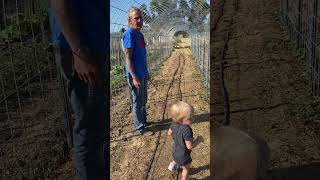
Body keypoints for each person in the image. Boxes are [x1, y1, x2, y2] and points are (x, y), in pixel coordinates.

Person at [49, 1, 107, 179]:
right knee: (88, 130)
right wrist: (79, 51)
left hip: (93, 49)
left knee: (97, 127)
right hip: (85, 54)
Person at [122, 7, 152, 136]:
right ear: (129, 20)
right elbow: (128, 58)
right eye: (136, 18)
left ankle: (143, 122)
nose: (139, 20)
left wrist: (146, 72)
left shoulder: (140, 34)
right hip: (135, 75)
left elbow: (141, 55)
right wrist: (134, 77)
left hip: (142, 72)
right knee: (137, 100)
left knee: (143, 99)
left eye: (141, 18)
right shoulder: (129, 34)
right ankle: (138, 128)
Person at [167, 101, 204, 180]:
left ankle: (173, 165)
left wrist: (178, 137)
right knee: (186, 169)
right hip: (184, 156)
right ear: (180, 119)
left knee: (177, 158)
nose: (192, 119)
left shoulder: (173, 123)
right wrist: (198, 140)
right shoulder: (187, 130)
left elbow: (169, 133)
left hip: (175, 151)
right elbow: (189, 146)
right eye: (190, 118)